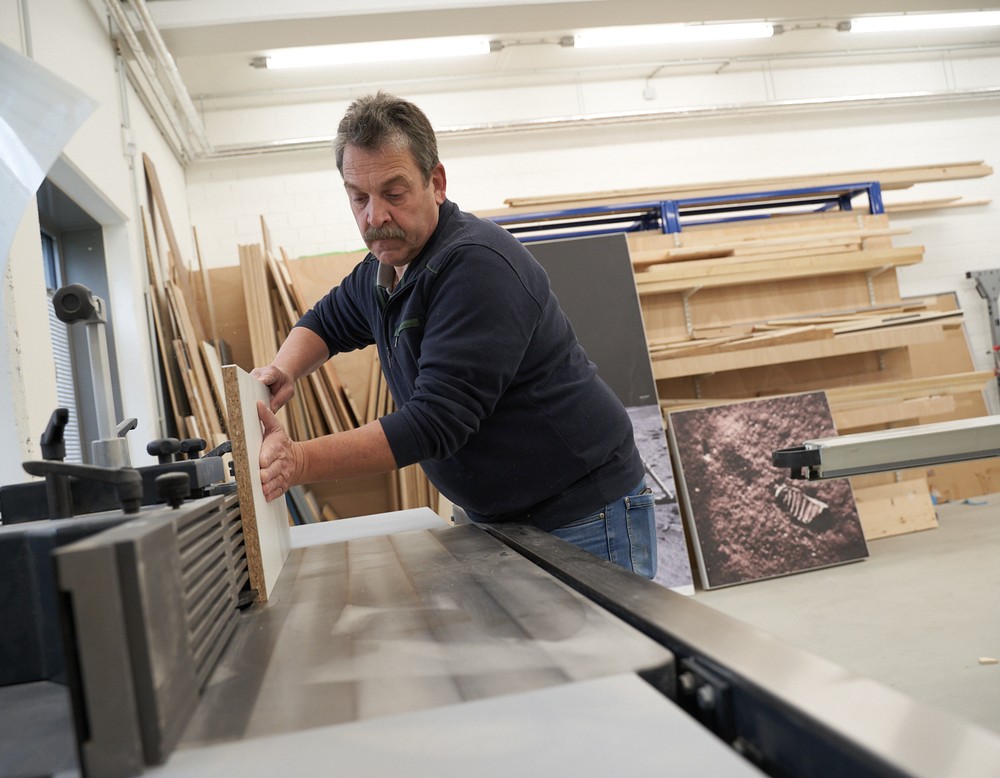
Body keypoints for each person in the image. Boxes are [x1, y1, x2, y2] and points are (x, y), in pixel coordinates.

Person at [251, 91, 657, 578]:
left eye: (393, 194)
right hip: (500, 516)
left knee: (602, 655)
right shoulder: (388, 266)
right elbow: (326, 320)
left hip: (583, 515)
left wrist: (297, 461)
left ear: (436, 182)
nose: (373, 217)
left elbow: (435, 422)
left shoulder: (476, 267)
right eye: (358, 197)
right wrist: (283, 370)